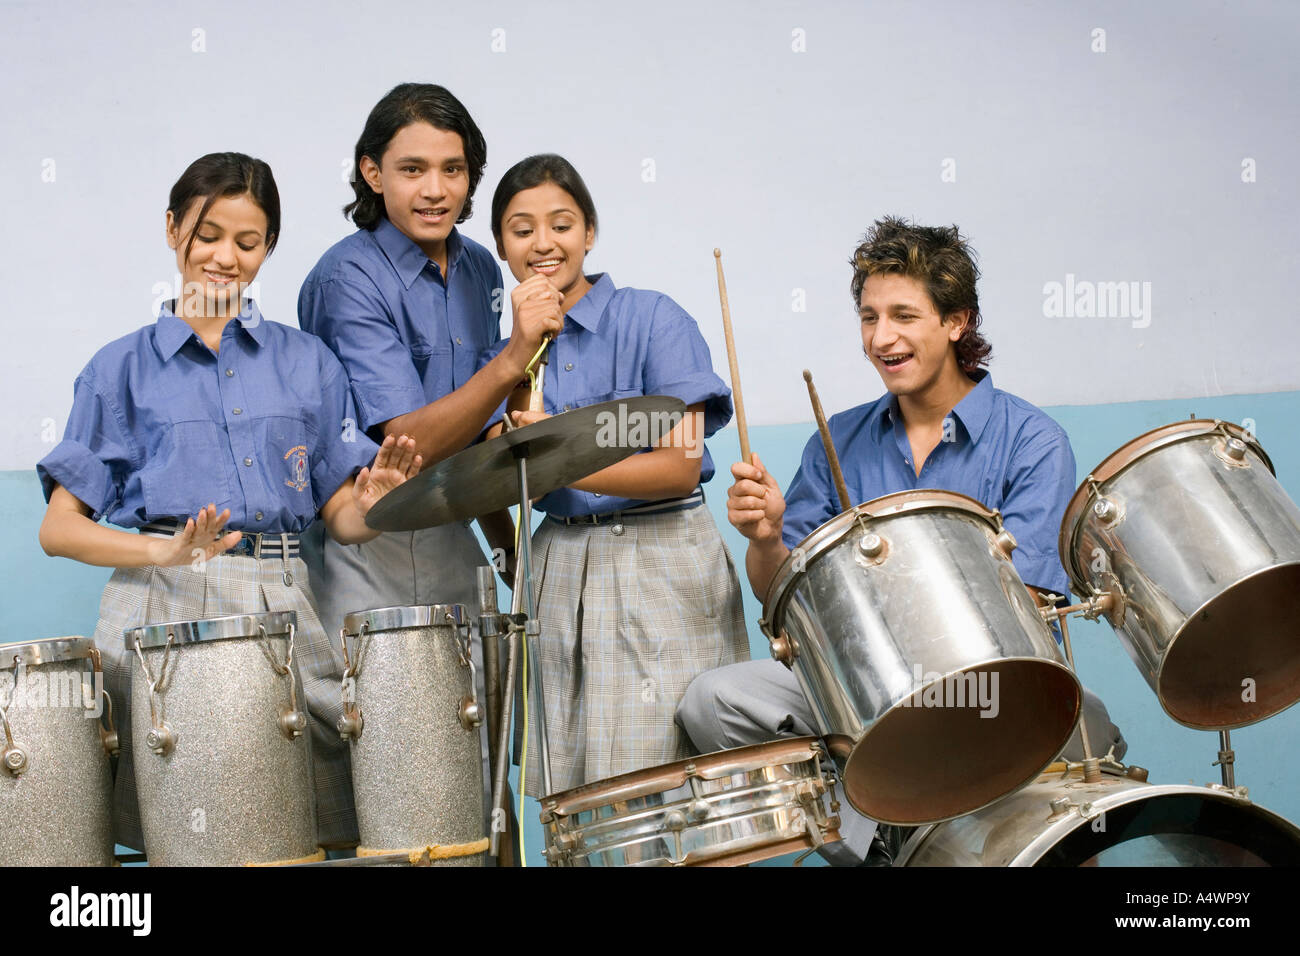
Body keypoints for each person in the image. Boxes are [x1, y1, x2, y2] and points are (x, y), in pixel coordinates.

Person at [675, 216, 1126, 865]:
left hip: (992, 687)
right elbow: (782, 598)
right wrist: (768, 536)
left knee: (1074, 725)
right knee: (714, 700)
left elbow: (1024, 599)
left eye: (904, 316)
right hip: (861, 691)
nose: (881, 338)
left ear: (956, 321)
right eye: (868, 317)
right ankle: (888, 841)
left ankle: (916, 827)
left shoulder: (1031, 440)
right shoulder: (841, 439)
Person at [36, 152, 421, 854]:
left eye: (248, 243)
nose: (225, 257)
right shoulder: (119, 367)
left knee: (296, 828)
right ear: (172, 228)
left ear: (269, 247)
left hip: (282, 597)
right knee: (185, 835)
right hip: (160, 600)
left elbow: (341, 518)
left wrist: (377, 502)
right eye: (208, 235)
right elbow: (58, 529)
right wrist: (164, 551)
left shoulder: (309, 362)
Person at [297, 85, 563, 847]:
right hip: (371, 540)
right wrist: (514, 355)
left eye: (454, 169)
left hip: (455, 540)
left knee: (478, 772)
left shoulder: (481, 269)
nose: (436, 189)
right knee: (392, 783)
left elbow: (472, 439)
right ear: (372, 173)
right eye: (413, 169)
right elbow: (408, 438)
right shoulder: (346, 277)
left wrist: (508, 541)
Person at [479, 154, 750, 796]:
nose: (543, 243)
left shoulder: (653, 317)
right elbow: (507, 478)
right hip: (560, 565)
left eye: (561, 224)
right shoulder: (511, 354)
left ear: (590, 232)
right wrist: (517, 429)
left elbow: (680, 467)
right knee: (580, 789)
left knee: (682, 783)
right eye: (522, 230)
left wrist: (559, 453)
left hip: (662, 555)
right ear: (500, 247)